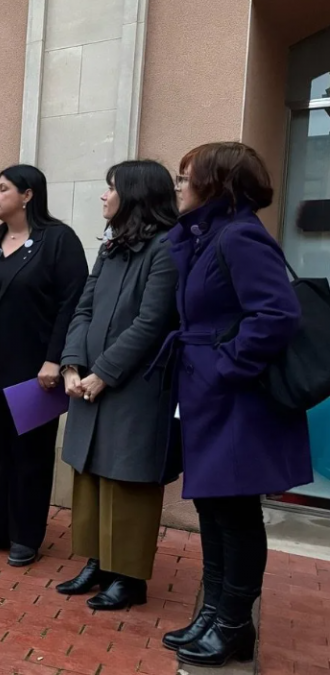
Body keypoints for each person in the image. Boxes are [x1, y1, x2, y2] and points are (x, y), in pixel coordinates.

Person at [155, 142, 311, 668]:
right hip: (204, 393)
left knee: (236, 513)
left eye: (186, 176)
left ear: (217, 183)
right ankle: (214, 614)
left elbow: (277, 314)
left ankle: (233, 624)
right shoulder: (202, 237)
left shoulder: (240, 235)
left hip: (234, 399)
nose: (178, 186)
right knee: (213, 509)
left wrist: (227, 368)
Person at [0, 165, 88, 566]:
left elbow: (72, 303)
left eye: (3, 188)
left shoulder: (58, 240)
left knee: (30, 452)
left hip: (34, 371)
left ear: (27, 195)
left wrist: (56, 360)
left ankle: (26, 534)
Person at [56, 160, 180, 610]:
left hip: (133, 385)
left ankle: (128, 575)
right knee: (88, 472)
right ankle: (97, 560)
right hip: (89, 379)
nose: (103, 196)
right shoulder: (111, 246)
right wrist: (72, 364)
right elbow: (83, 308)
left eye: (110, 188)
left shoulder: (167, 247)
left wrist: (104, 372)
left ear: (135, 195)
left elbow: (153, 322)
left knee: (126, 478)